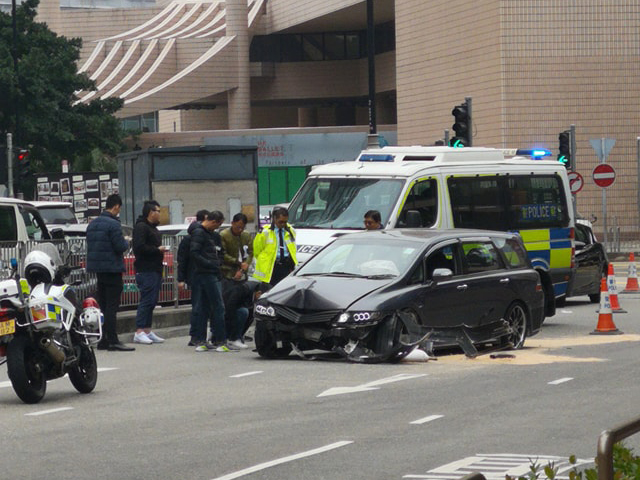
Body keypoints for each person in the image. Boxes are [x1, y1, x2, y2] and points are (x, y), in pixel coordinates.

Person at [86, 194, 135, 351]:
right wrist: (126, 241)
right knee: (112, 307)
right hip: (112, 269)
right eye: (119, 208)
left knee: (104, 305)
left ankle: (103, 340)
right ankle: (113, 340)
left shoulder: (92, 225)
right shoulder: (113, 225)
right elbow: (120, 246)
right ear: (115, 207)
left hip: (98, 270)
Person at [190, 210, 230, 352]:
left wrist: (217, 262)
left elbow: (219, 252)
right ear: (214, 222)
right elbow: (194, 253)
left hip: (205, 273)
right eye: (217, 225)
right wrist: (211, 264)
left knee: (204, 307)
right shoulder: (200, 233)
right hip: (208, 274)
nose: (216, 229)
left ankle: (201, 340)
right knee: (218, 307)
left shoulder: (208, 234)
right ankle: (220, 340)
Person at [132, 200, 167, 345]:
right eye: (158, 211)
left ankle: (147, 329)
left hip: (155, 268)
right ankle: (139, 331)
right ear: (151, 212)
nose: (159, 214)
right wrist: (157, 250)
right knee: (146, 300)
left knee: (152, 301)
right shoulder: (141, 227)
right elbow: (139, 248)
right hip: (145, 269)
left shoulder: (153, 228)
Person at [177, 209, 211, 347]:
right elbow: (182, 260)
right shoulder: (191, 238)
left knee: (201, 306)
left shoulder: (201, 235)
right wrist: (181, 278)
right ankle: (196, 335)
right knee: (198, 306)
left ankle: (197, 335)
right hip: (196, 275)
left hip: (199, 275)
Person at [220, 213, 253, 349]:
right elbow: (223, 254)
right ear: (233, 223)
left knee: (247, 308)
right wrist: (238, 263)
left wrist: (245, 266)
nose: (239, 230)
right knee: (229, 306)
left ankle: (239, 334)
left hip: (242, 275)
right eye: (238, 227)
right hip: (227, 274)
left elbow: (251, 252)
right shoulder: (224, 235)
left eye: (242, 228)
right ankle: (228, 335)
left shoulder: (246, 235)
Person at [253, 206, 297, 287]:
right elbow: (256, 251)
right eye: (280, 222)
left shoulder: (290, 230)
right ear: (274, 219)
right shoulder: (265, 232)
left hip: (285, 266)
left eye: (285, 222)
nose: (283, 224)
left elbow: (292, 249)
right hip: (271, 267)